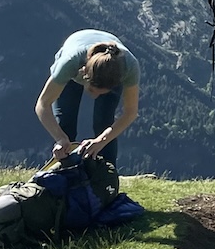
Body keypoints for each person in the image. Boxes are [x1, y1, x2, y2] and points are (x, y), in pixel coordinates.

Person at [35, 30, 141, 168]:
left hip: (110, 68)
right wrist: (60, 138)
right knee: (65, 124)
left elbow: (130, 113)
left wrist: (101, 141)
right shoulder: (70, 63)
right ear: (84, 75)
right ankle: (63, 170)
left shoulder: (129, 67)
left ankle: (106, 178)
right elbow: (42, 104)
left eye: (102, 93)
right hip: (76, 57)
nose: (95, 96)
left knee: (104, 124)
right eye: (92, 90)